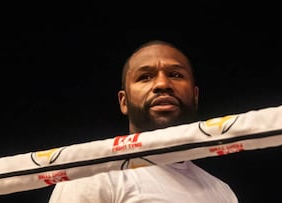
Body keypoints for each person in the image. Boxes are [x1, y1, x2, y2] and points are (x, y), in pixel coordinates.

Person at [48, 40, 239, 202]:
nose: (162, 84)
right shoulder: (92, 174)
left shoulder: (222, 193)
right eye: (145, 77)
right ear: (124, 101)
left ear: (195, 96)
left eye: (175, 75)